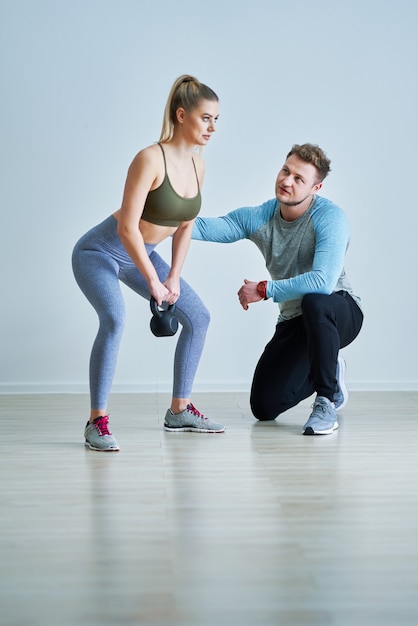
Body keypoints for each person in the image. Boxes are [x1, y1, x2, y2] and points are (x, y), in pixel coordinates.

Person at [72, 75, 226, 452]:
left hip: (143, 254)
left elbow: (185, 225)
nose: (212, 127)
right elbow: (127, 228)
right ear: (181, 115)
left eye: (216, 119)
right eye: (206, 117)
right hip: (100, 253)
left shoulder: (197, 167)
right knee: (115, 318)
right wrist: (152, 282)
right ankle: (96, 422)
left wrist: (173, 276)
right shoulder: (149, 158)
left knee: (199, 318)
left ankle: (179, 409)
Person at [192, 143, 363, 435]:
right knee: (264, 407)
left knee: (315, 302)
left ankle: (326, 399)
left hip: (338, 310)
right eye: (286, 171)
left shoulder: (330, 218)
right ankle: (328, 363)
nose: (287, 181)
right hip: (295, 320)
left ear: (316, 187)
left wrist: (264, 288)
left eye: (299, 179)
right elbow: (210, 228)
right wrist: (160, 220)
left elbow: (322, 282)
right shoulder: (262, 216)